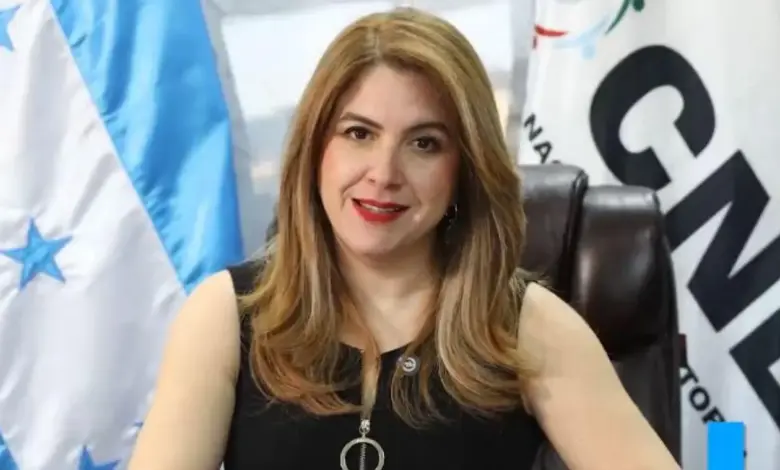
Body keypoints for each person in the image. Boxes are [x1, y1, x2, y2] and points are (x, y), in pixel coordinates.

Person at [128, 7, 680, 470]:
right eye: (359, 133)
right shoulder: (226, 317)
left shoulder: (529, 327)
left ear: (464, 170)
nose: (384, 173)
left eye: (424, 143)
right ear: (315, 151)